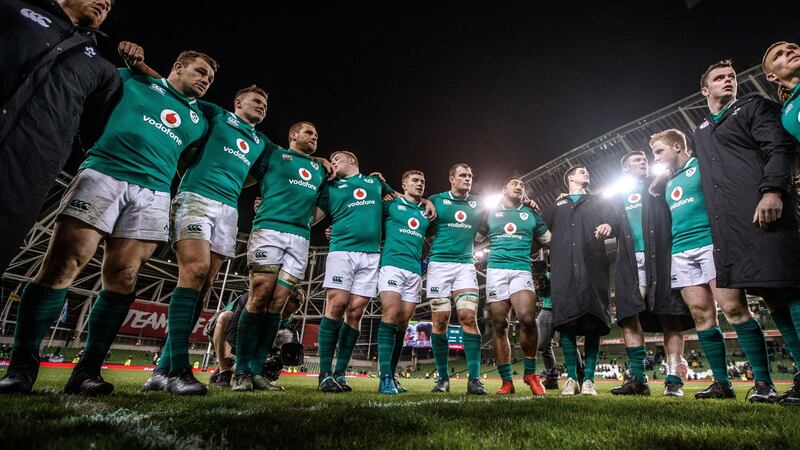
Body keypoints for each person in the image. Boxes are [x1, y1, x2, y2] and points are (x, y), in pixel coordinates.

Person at [0, 49, 217, 395]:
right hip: (105, 173)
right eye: (201, 71)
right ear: (177, 67)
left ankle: (87, 371)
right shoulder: (131, 79)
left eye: (210, 77)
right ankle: (22, 368)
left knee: (124, 275)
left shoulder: (199, 122)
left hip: (155, 191)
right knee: (63, 263)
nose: (206, 80)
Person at [694, 58, 799, 403]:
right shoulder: (702, 130)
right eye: (719, 77)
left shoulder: (755, 106)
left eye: (732, 77)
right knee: (772, 294)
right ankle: (783, 381)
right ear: (704, 90)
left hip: (766, 208)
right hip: (732, 225)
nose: (728, 80)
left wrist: (773, 191)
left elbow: (780, 147)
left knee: (790, 288)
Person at [651, 127, 778, 403]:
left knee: (734, 309)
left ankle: (764, 382)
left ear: (677, 146)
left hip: (711, 243)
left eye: (659, 151)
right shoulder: (668, 181)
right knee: (701, 315)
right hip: (681, 250)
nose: (656, 158)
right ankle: (722, 383)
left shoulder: (703, 166)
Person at [0, 0, 121, 275]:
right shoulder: (14, 10)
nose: (105, 3)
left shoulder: (102, 68)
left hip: (27, 171)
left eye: (111, 4)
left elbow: (95, 132)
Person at [232, 122, 328, 392]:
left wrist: (304, 220)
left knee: (278, 303)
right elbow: (247, 176)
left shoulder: (320, 169)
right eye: (309, 132)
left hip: (300, 238)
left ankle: (257, 371)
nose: (314, 137)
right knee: (259, 295)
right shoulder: (273, 154)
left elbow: (322, 204)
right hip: (269, 230)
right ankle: (241, 371)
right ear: (293, 135)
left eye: (316, 134)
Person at [313, 151, 401, 393]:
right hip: (342, 251)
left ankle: (340, 374)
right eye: (331, 160)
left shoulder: (375, 182)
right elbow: (312, 217)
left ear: (352, 160)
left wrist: (424, 201)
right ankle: (324, 374)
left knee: (356, 311)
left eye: (337, 158)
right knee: (337, 304)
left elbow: (402, 202)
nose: (333, 162)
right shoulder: (330, 187)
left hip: (371, 255)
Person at [609, 151, 693, 397]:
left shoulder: (661, 184)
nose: (643, 161)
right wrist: (608, 225)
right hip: (629, 262)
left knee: (670, 316)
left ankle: (674, 379)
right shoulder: (617, 196)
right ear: (625, 168)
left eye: (644, 159)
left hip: (661, 258)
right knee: (628, 317)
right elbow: (612, 221)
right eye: (636, 160)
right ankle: (638, 380)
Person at [541, 166, 613, 397]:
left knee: (594, 322)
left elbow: (614, 220)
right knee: (567, 323)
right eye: (581, 171)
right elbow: (538, 227)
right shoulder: (557, 206)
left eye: (587, 171)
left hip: (593, 268)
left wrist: (609, 225)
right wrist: (530, 207)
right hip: (563, 272)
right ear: (570, 178)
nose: (586, 173)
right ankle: (571, 378)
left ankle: (589, 379)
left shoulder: (598, 201)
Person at [483, 177, 551, 395]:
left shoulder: (531, 213)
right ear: (504, 189)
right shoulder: (490, 213)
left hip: (521, 269)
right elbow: (473, 236)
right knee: (499, 324)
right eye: (514, 183)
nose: (519, 186)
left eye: (521, 185)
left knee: (527, 320)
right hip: (496, 270)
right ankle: (506, 381)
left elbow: (548, 239)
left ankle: (530, 374)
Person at [425, 163, 487, 395]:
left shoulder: (479, 202)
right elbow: (423, 226)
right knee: (440, 319)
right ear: (451, 178)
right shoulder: (436, 200)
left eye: (470, 175)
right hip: (439, 265)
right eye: (463, 175)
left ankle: (474, 380)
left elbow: (487, 226)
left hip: (465, 266)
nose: (468, 179)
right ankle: (443, 379)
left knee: (468, 317)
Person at [761, 41, 800, 406]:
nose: (790, 50)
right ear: (772, 76)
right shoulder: (787, 112)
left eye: (792, 47)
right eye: (780, 54)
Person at [376, 170, 431, 394]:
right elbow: (366, 212)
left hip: (414, 271)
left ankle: (392, 376)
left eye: (422, 181)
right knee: (389, 315)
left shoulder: (426, 212)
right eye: (415, 181)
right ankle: (384, 378)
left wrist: (427, 202)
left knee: (402, 323)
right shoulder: (391, 206)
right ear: (404, 185)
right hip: (392, 265)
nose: (420, 184)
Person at [207, 287, 305, 389]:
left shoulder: (286, 317)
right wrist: (248, 362)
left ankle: (263, 374)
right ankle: (224, 372)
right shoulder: (252, 297)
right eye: (286, 311)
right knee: (226, 316)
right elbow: (232, 335)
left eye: (292, 314)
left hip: (252, 335)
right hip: (221, 330)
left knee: (285, 336)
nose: (287, 317)